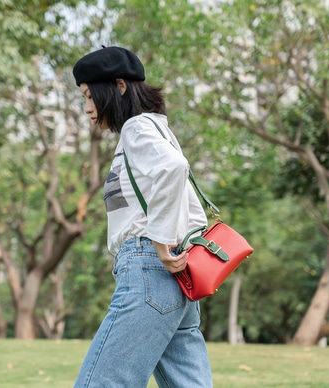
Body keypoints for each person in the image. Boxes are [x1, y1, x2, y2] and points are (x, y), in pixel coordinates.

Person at [72, 46, 213, 388]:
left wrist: (158, 244)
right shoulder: (158, 129)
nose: (88, 108)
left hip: (153, 270)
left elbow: (172, 169)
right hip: (175, 280)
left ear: (119, 86)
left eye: (91, 96)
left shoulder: (137, 129)